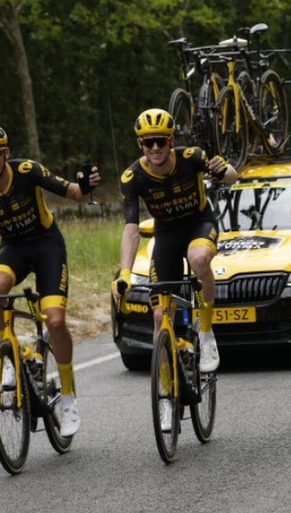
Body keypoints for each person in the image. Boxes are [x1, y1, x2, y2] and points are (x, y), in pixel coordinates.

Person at [0, 123, 98, 437]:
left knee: (55, 321)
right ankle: (8, 350)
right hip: (13, 249)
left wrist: (84, 186)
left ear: (6, 153)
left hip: (46, 245)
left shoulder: (28, 170)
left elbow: (73, 193)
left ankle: (69, 396)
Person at [113, 109, 237, 428]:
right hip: (166, 234)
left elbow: (232, 177)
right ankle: (166, 394)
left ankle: (206, 331)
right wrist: (124, 274)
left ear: (171, 141)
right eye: (147, 143)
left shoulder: (192, 157)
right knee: (159, 317)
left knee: (198, 260)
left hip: (199, 223)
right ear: (140, 145)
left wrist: (224, 170)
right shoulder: (133, 178)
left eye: (161, 141)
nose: (155, 148)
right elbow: (130, 229)